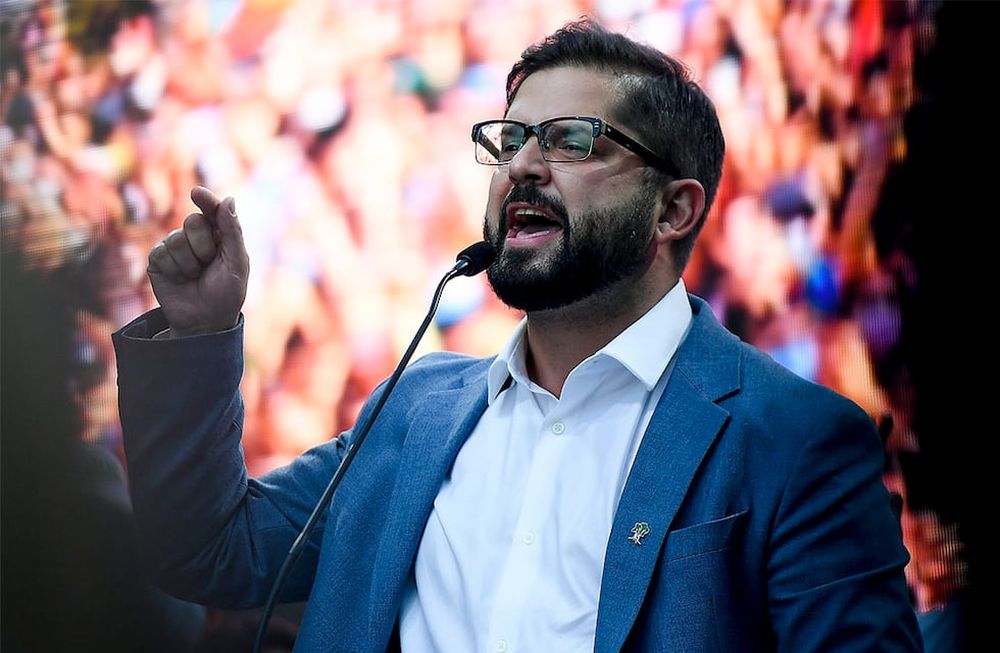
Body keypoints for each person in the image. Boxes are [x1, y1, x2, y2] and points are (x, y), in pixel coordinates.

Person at [112, 19, 922, 652]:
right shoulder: (414, 411)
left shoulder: (794, 440)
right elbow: (207, 548)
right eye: (511, 139)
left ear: (674, 210)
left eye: (571, 140)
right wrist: (200, 332)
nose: (522, 166)